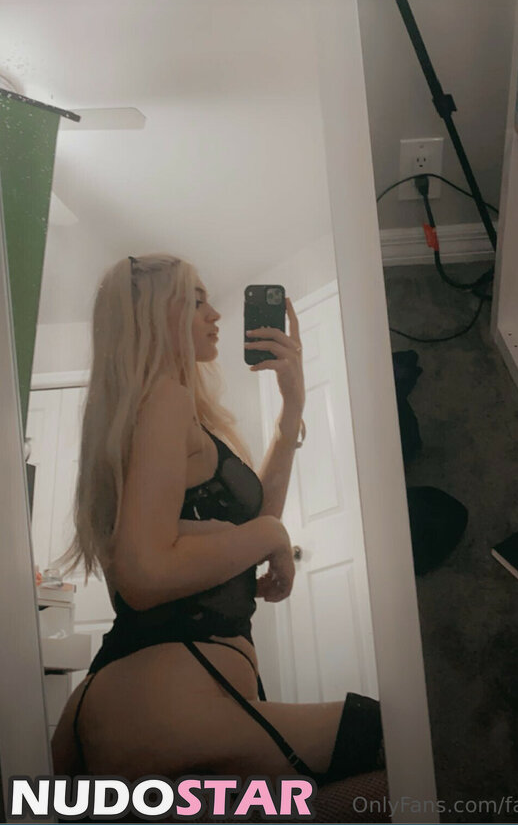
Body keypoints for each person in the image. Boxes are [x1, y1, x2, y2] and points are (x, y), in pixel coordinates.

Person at [51, 253, 384, 788]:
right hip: (169, 692)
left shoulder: (152, 410)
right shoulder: (166, 397)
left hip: (135, 698)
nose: (216, 314)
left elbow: (255, 524)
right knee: (400, 742)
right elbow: (144, 573)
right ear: (153, 315)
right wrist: (269, 535)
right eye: (197, 300)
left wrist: (292, 408)